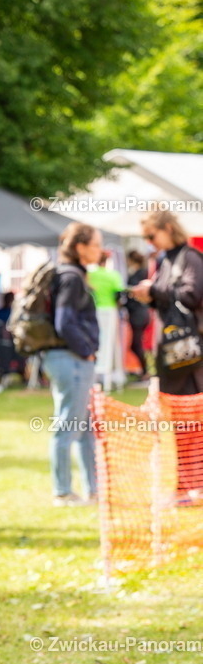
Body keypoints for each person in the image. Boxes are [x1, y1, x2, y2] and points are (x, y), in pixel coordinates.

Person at [131, 210, 203, 498]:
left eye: (152, 235)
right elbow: (168, 298)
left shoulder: (190, 257)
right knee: (182, 423)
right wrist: (151, 295)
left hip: (190, 356)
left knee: (192, 420)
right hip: (173, 354)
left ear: (168, 228)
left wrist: (155, 290)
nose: (150, 242)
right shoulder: (165, 260)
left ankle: (193, 485)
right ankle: (189, 485)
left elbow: (191, 295)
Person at [41, 224, 101, 506]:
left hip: (66, 359)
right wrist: (87, 351)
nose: (100, 250)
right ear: (80, 247)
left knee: (83, 427)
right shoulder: (71, 277)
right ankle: (63, 492)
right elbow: (64, 322)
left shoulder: (69, 274)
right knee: (68, 426)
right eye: (95, 245)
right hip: (71, 359)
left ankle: (93, 489)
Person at [86, 250, 125, 390]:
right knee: (109, 345)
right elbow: (119, 294)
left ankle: (96, 376)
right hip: (109, 311)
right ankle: (109, 378)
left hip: (93, 311)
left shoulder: (89, 275)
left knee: (95, 342)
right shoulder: (113, 275)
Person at [122, 249, 152, 378]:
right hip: (138, 312)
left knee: (136, 343)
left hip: (138, 313)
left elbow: (136, 292)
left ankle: (145, 371)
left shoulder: (139, 274)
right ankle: (144, 370)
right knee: (136, 343)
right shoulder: (138, 273)